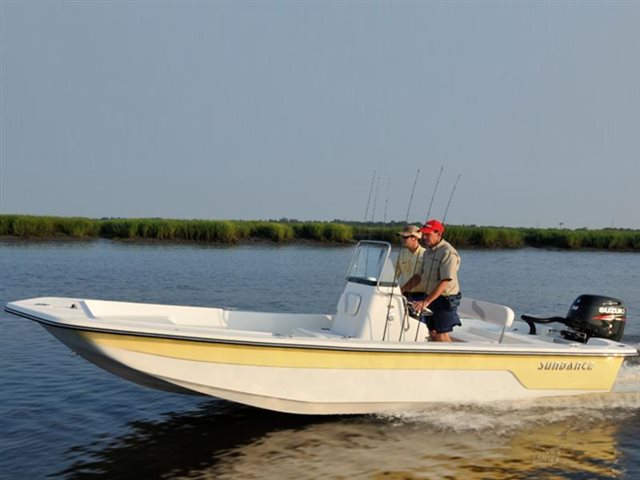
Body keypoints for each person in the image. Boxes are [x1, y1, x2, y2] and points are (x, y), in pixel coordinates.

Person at [402, 219, 461, 342]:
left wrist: (426, 302)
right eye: (423, 234)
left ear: (438, 234)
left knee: (441, 333)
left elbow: (445, 280)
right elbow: (419, 276)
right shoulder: (428, 252)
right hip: (431, 296)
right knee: (432, 332)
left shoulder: (448, 252)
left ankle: (451, 360)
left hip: (445, 298)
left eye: (428, 234)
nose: (424, 237)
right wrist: (401, 290)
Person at [395, 225, 426, 303]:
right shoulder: (401, 254)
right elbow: (393, 274)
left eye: (405, 237)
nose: (402, 239)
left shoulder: (426, 254)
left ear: (415, 238)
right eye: (402, 237)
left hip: (421, 296)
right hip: (404, 294)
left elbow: (421, 277)